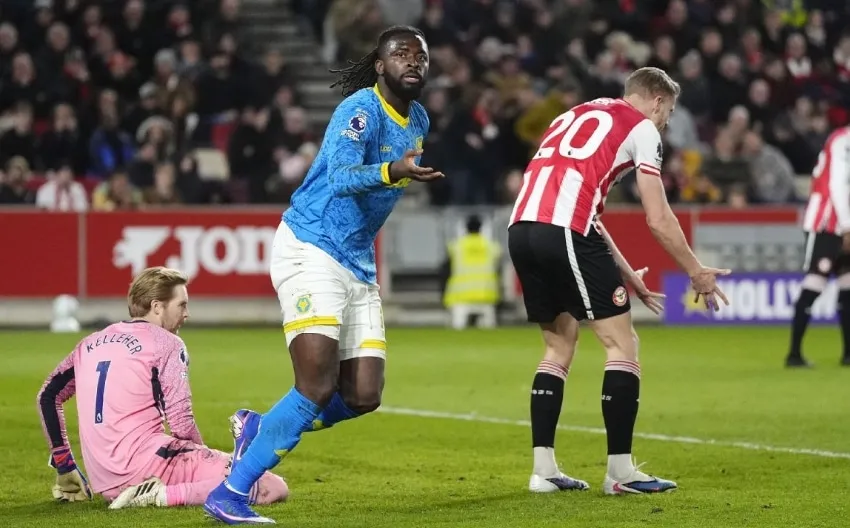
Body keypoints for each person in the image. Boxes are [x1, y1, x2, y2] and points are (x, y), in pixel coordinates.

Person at [204, 26, 443, 524]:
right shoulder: (359, 111)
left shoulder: (418, 118)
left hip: (357, 261)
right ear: (380, 65)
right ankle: (230, 491)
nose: (413, 61)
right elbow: (339, 177)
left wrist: (395, 172)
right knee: (314, 386)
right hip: (311, 246)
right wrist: (392, 171)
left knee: (363, 395)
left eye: (420, 56)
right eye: (401, 54)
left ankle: (260, 428)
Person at [507, 67, 730, 495]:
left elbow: (584, 205)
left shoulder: (575, 113)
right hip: (565, 229)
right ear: (658, 101)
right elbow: (658, 218)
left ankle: (544, 471)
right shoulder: (642, 128)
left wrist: (626, 273)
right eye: (669, 112)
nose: (666, 122)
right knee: (622, 344)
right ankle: (621, 473)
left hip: (522, 228)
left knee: (559, 345)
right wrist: (695, 270)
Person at [36, 267, 288, 509]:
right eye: (182, 305)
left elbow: (47, 396)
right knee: (268, 485)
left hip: (106, 482)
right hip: (150, 466)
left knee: (235, 476)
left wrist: (64, 464)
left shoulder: (89, 343)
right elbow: (181, 423)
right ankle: (159, 494)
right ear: (157, 307)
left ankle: (152, 491)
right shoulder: (166, 343)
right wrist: (201, 455)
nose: (187, 314)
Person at [786, 126, 850, 368]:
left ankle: (848, 354)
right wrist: (846, 226)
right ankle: (794, 354)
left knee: (848, 285)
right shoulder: (842, 140)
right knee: (815, 282)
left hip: (844, 222)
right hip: (825, 221)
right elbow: (837, 183)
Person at [442, 214, 502, 330]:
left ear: (465, 228)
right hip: (486, 295)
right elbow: (498, 270)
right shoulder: (492, 247)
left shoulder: (456, 247)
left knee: (458, 325)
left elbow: (446, 271)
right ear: (481, 228)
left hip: (460, 296)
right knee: (489, 328)